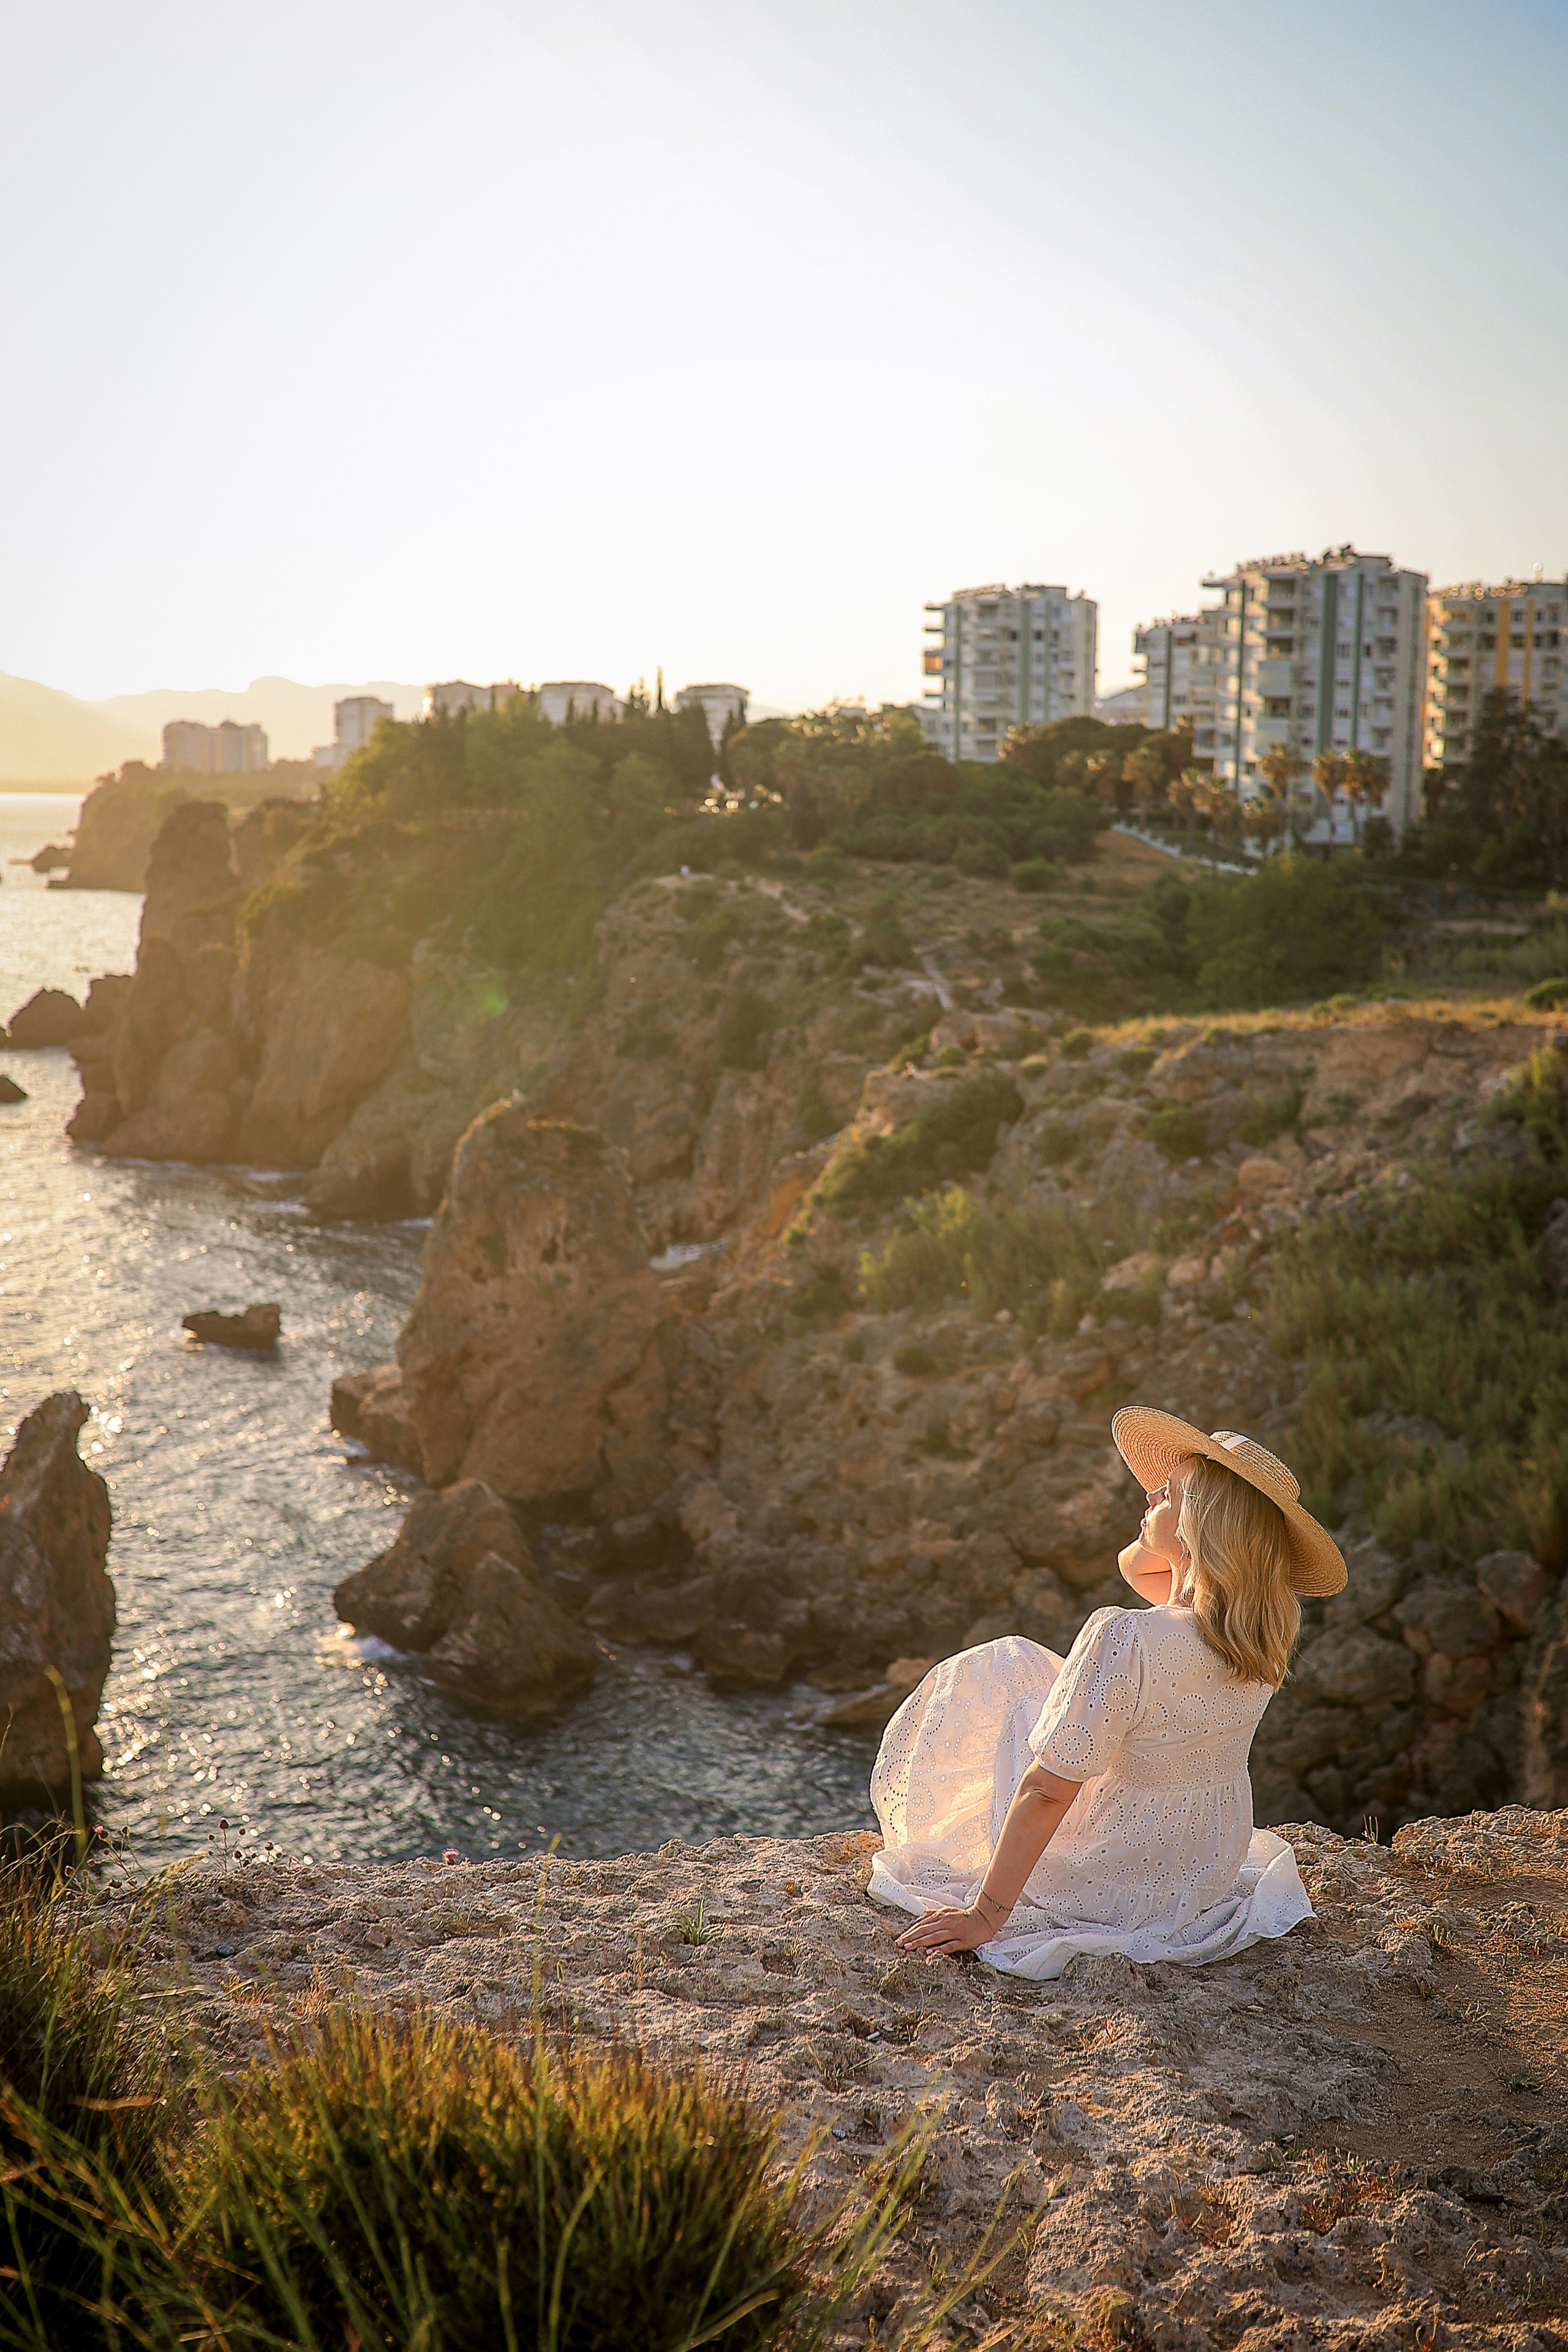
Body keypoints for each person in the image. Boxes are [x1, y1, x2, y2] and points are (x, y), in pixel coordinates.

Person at [869, 1408, 1347, 1979]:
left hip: (1107, 1870)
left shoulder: (1128, 1636)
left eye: (1166, 1495)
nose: (1147, 1499)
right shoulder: (1262, 1638)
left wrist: (986, 1914)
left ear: (1199, 1522)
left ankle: (974, 1861)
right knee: (1043, 1677)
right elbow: (1139, 1569)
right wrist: (1173, 1528)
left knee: (1004, 1669)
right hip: (1197, 1871)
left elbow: (1047, 1791)